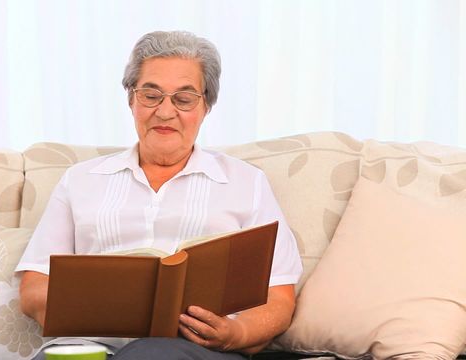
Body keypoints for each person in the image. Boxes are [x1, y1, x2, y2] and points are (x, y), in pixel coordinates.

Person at [16, 30, 303, 360]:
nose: (165, 112)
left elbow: (279, 296)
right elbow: (34, 287)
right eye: (151, 96)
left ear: (206, 105)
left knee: (149, 354)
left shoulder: (246, 183)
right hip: (92, 346)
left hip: (195, 351)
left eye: (183, 99)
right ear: (131, 100)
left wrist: (235, 333)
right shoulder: (80, 181)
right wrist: (91, 304)